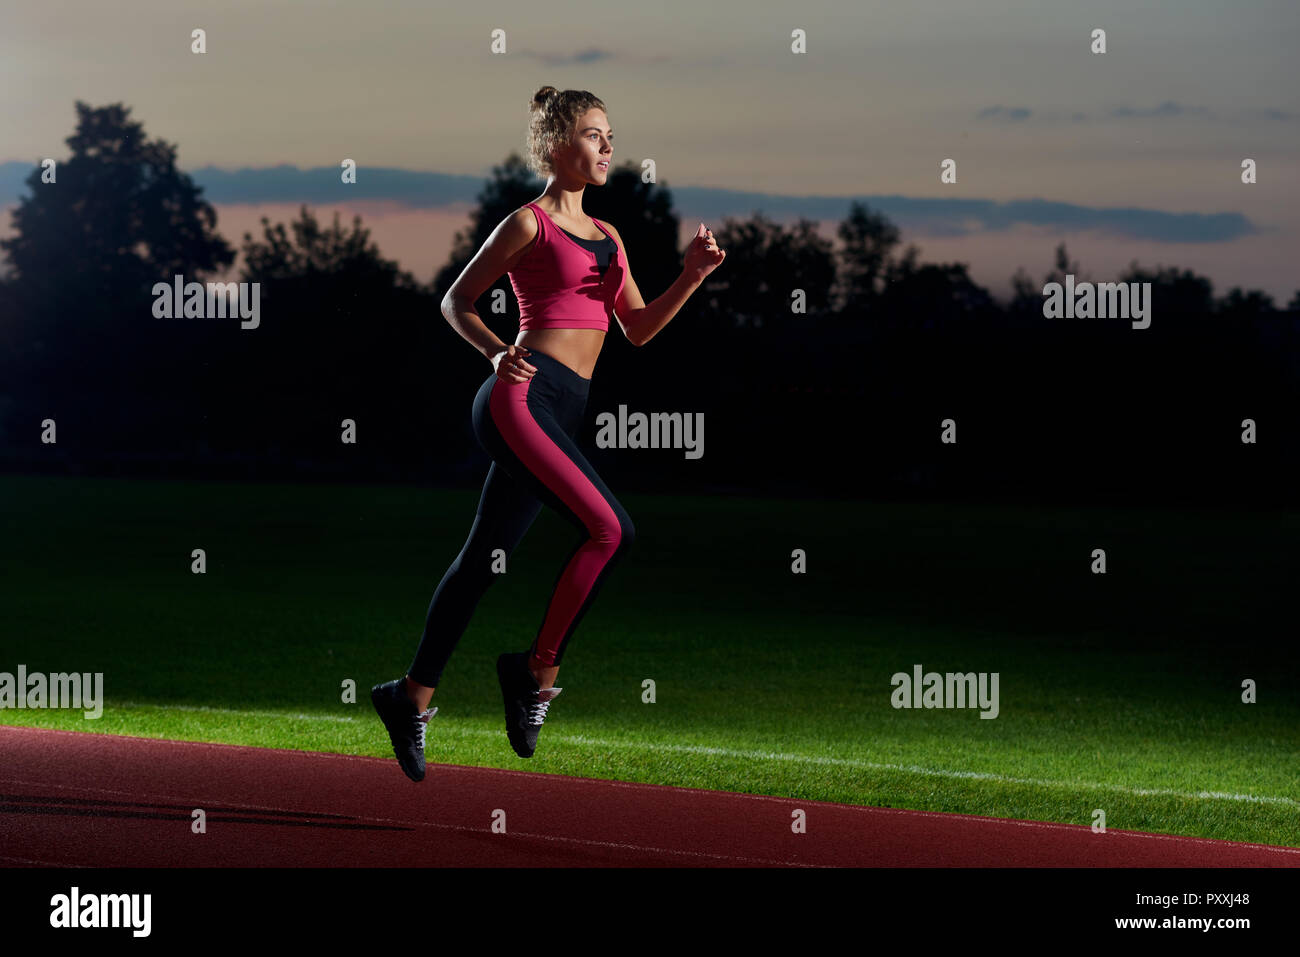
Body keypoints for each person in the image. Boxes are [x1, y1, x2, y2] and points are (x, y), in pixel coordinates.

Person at [371, 86, 726, 781]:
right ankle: (535, 674)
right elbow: (455, 299)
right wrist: (493, 350)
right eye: (595, 135)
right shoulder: (528, 224)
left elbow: (638, 329)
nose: (608, 146)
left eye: (610, 135)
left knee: (482, 560)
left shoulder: (612, 236)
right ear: (559, 144)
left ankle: (408, 695)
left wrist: (691, 275)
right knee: (611, 530)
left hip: (566, 409)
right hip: (520, 396)